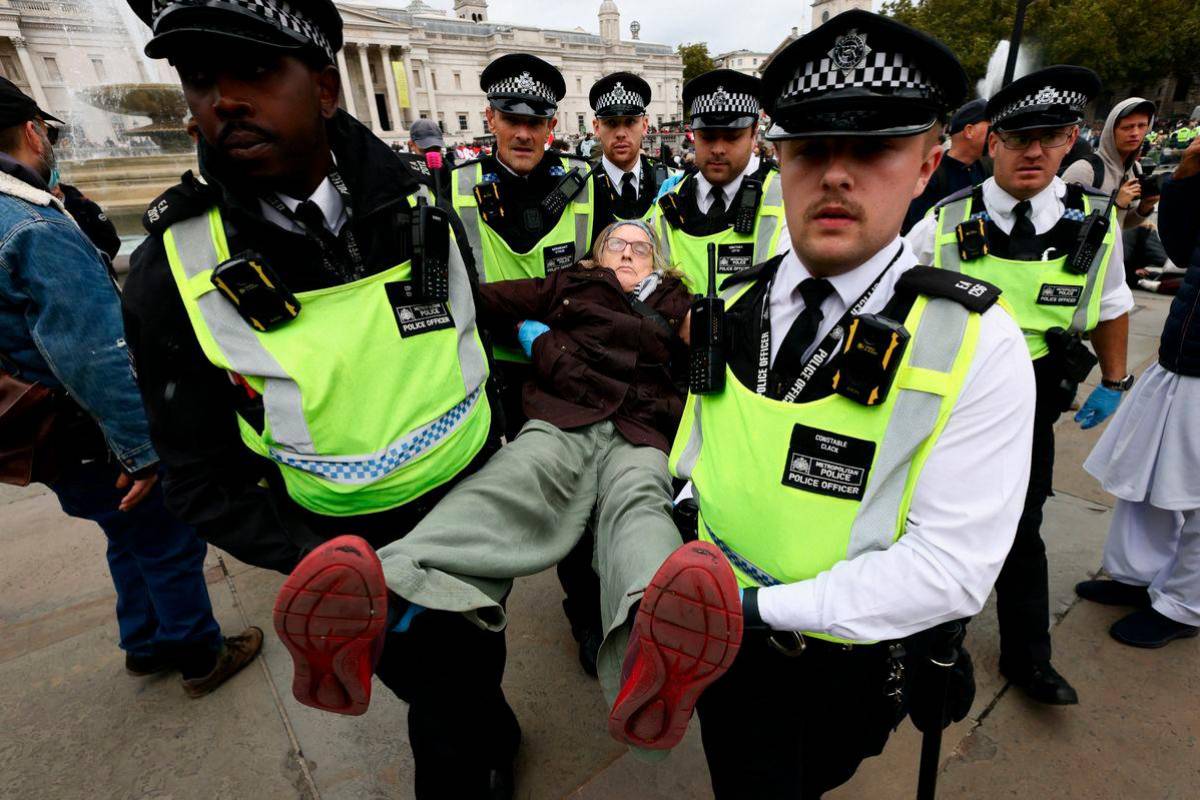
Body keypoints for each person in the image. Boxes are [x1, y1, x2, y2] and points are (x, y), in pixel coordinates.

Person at [605, 13, 1036, 797]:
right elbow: (699, 455)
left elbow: (950, 568)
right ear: (780, 160)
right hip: (718, 638)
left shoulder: (976, 342)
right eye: (809, 150)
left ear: (926, 164)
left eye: (872, 150)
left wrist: (757, 608)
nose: (836, 175)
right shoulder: (733, 303)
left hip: (842, 658)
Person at [121, 2, 520, 796]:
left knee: (476, 661)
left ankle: (495, 732)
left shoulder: (422, 203)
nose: (224, 101)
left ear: (326, 89)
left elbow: (462, 337)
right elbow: (197, 473)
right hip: (345, 545)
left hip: (473, 511)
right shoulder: (174, 268)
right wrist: (316, 560)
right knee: (437, 699)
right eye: (200, 79)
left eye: (255, 70)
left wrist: (504, 457)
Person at [270, 217, 693, 739]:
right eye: (616, 244)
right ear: (595, 257)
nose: (628, 252)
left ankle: (655, 637)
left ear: (658, 263)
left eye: (641, 248)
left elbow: (719, 348)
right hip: (566, 416)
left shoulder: (676, 301)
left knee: (641, 500)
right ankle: (382, 587)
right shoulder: (569, 285)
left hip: (641, 426)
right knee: (515, 479)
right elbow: (480, 300)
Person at [0, 77, 261, 696]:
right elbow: (93, 352)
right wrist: (143, 452)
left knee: (127, 533)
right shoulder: (31, 225)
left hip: (39, 428)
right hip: (82, 425)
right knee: (167, 534)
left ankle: (145, 642)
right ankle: (199, 655)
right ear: (32, 132)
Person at [908, 65, 1135, 706]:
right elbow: (894, 295)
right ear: (993, 141)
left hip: (1034, 397)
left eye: (1051, 136)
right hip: (948, 394)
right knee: (927, 518)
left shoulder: (1094, 222)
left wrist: (1114, 380)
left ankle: (1029, 659)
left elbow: (1113, 303)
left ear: (1070, 140)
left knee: (1022, 522)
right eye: (1017, 137)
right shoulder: (945, 220)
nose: (1034, 151)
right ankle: (928, 646)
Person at [1075, 133, 1200, 648]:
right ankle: (1138, 575)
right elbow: (1181, 245)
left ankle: (1185, 605)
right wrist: (1189, 172)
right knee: (1148, 480)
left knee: (1195, 496)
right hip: (1182, 356)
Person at [654, 69, 786, 293]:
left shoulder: (787, 197)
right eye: (707, 137)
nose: (718, 149)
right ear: (694, 134)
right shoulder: (667, 206)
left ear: (754, 132)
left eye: (732, 137)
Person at [588, 72, 673, 232]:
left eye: (630, 122)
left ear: (645, 125)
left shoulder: (670, 182)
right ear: (597, 128)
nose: (621, 133)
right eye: (611, 123)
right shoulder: (583, 188)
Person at [1062, 97, 1159, 228]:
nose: (1135, 133)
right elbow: (1061, 226)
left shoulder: (1135, 169)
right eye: (1127, 127)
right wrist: (1115, 205)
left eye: (1141, 126)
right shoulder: (1084, 170)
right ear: (1111, 131)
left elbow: (1121, 224)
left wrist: (1144, 207)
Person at [902, 97, 989, 233]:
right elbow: (917, 232)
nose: (996, 134)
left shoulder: (985, 169)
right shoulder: (931, 175)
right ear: (969, 131)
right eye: (991, 127)